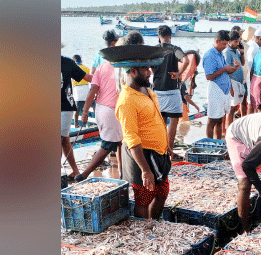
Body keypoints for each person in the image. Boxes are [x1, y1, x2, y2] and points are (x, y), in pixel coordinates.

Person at [103, 44, 174, 220]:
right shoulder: (127, 100)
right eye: (145, 69)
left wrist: (166, 145)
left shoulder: (146, 90)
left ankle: (154, 223)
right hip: (142, 156)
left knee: (162, 193)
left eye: (149, 68)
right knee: (143, 198)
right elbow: (131, 137)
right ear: (133, 72)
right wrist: (144, 169)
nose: (150, 72)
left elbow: (156, 119)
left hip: (159, 153)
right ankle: (144, 229)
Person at [76, 47, 123, 181]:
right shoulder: (121, 67)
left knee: (120, 142)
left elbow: (93, 89)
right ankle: (84, 174)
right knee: (108, 145)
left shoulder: (101, 67)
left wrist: (85, 112)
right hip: (112, 110)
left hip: (100, 109)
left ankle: (122, 172)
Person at [152, 25, 187, 157]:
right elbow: (186, 60)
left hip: (157, 91)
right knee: (173, 121)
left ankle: (159, 150)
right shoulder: (174, 49)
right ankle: (169, 151)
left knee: (160, 122)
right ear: (170, 36)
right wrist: (179, 74)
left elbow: (149, 67)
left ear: (158, 38)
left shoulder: (154, 50)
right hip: (172, 90)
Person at [61, 44, 94, 180]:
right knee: (64, 139)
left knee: (60, 138)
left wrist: (105, 81)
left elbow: (86, 77)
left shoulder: (67, 62)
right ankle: (75, 170)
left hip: (65, 106)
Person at [203, 30, 239, 139]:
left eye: (226, 44)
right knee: (212, 120)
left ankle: (218, 142)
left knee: (219, 120)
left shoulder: (220, 54)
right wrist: (224, 69)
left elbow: (226, 71)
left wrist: (234, 68)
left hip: (223, 90)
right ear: (217, 41)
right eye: (224, 44)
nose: (225, 46)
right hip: (215, 90)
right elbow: (209, 76)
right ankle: (209, 143)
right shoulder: (210, 55)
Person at [222, 30, 246, 130]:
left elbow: (243, 63)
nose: (237, 44)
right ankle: (228, 131)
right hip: (232, 82)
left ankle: (229, 129)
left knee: (234, 107)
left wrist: (242, 53)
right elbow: (226, 71)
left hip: (238, 82)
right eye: (235, 42)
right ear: (229, 41)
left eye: (238, 41)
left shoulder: (236, 50)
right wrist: (230, 87)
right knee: (231, 109)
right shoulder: (227, 52)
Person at [245, 29, 261, 114]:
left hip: (256, 78)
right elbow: (251, 67)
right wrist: (252, 81)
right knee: (251, 103)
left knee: (256, 102)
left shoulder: (259, 47)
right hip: (252, 78)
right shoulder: (253, 48)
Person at [71, 55, 91, 128]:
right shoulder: (86, 68)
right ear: (81, 60)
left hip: (77, 89)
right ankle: (88, 124)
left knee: (77, 109)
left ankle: (76, 124)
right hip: (86, 88)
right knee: (88, 106)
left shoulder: (72, 68)